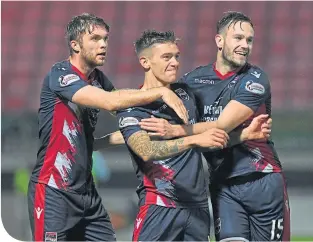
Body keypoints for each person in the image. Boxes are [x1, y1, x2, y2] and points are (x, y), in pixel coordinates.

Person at [27, 13, 189, 242]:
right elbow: (111, 102)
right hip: (54, 191)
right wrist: (161, 92)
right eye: (94, 39)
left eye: (105, 39)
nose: (103, 44)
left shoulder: (99, 79)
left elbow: (127, 115)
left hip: (87, 195)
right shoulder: (60, 75)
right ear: (74, 45)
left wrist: (163, 128)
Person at [140, 11, 290, 242]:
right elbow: (150, 100)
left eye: (249, 40)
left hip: (262, 179)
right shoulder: (193, 81)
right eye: (238, 38)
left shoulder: (255, 79)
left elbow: (222, 126)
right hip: (223, 186)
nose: (245, 45)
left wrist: (176, 131)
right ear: (219, 41)